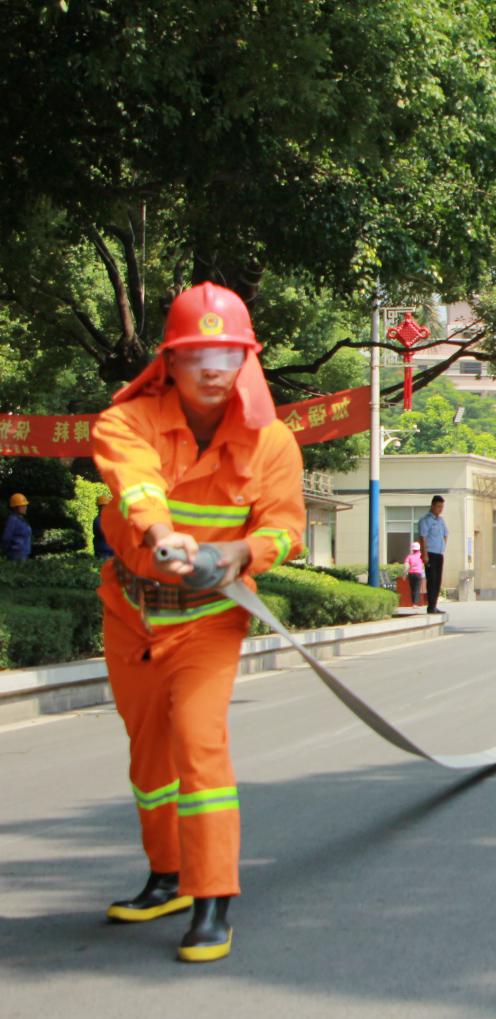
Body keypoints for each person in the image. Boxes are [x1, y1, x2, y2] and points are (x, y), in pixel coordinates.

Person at [92, 282, 305, 963]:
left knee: (197, 743)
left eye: (228, 352)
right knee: (148, 753)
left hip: (212, 616)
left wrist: (237, 553)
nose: (213, 367)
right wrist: (160, 532)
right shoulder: (125, 421)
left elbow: (283, 528)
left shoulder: (272, 442)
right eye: (197, 353)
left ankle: (213, 898)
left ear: (247, 360)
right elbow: (135, 482)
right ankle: (168, 875)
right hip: (131, 611)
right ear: (170, 361)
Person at [417, 495, 447, 615]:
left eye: (442, 507)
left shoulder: (441, 520)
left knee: (438, 580)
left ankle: (434, 605)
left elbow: (446, 534)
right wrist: (424, 555)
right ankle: (430, 606)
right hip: (430, 554)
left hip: (439, 554)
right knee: (432, 580)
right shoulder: (425, 520)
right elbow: (423, 538)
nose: (440, 509)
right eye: (438, 506)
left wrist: (443, 546)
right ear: (432, 505)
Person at [3, 493, 31, 562]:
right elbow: (6, 538)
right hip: (16, 555)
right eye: (22, 506)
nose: (25, 507)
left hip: (24, 554)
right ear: (15, 507)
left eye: (25, 505)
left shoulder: (22, 520)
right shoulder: (13, 520)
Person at [403, 542, 425, 610]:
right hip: (418, 574)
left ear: (412, 549)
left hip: (411, 574)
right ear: (419, 549)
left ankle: (413, 603)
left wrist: (404, 575)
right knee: (417, 589)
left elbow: (406, 566)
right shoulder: (421, 556)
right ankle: (415, 604)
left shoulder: (409, 556)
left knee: (412, 589)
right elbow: (424, 564)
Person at [93, 493, 115, 559]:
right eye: (103, 506)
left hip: (112, 552)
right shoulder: (98, 520)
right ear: (99, 507)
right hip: (104, 553)